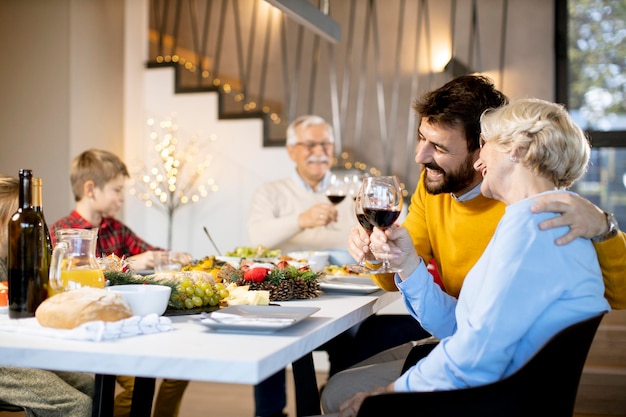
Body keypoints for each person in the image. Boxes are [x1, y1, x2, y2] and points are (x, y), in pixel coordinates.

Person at [321, 75, 626, 414]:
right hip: (502, 379)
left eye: (486, 142)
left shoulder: (537, 228)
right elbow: (465, 326)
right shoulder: (528, 220)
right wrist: (406, 263)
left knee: (340, 394)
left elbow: (476, 353)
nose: (482, 160)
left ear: (518, 150)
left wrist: (389, 391)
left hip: (491, 397)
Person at [247, 115, 429, 417]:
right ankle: (270, 412)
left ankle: (330, 400)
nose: (319, 150)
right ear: (292, 150)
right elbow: (257, 236)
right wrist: (301, 220)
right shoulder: (272, 191)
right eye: (309, 144)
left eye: (325, 144)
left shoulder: (352, 187)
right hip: (288, 290)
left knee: (351, 335)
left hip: (343, 290)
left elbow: (400, 216)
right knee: (269, 337)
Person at [49, 149, 194, 417]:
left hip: (129, 319)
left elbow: (149, 252)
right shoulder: (64, 234)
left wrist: (172, 257)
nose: (121, 198)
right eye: (117, 190)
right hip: (96, 327)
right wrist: (133, 263)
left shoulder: (116, 228)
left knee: (180, 368)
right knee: (138, 384)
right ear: (91, 189)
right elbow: (74, 284)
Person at [0, 175, 95, 417]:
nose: (28, 229)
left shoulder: (12, 259)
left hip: (17, 348)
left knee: (94, 387)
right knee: (77, 406)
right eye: (20, 222)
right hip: (4, 359)